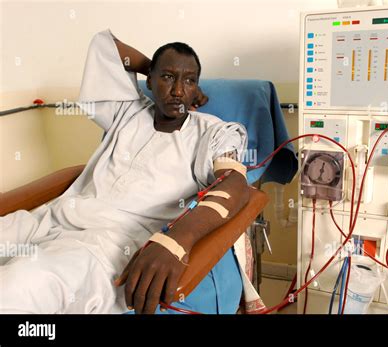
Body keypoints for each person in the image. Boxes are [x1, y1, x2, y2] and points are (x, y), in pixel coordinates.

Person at [0, 29, 266, 314]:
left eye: (189, 81)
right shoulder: (127, 112)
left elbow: (233, 183)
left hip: (107, 243)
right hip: (52, 217)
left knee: (21, 283)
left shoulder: (212, 131)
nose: (178, 90)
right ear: (148, 81)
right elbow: (107, 47)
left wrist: (177, 240)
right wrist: (151, 66)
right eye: (167, 77)